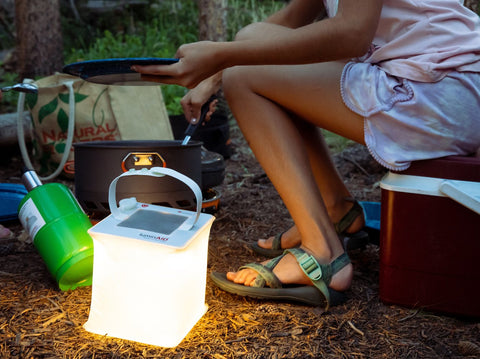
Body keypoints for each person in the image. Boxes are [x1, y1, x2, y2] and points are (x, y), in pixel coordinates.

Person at [132, 0, 480, 309]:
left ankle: (323, 253)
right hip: (435, 81)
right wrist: (214, 73)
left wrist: (224, 61)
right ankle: (335, 210)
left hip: (440, 91)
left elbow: (350, 34)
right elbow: (289, 22)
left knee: (245, 78)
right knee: (252, 35)